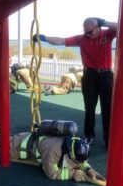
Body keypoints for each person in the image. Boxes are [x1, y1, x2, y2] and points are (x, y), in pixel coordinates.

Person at [34, 17, 118, 148]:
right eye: (85, 32)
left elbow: (122, 28)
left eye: (90, 32)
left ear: (98, 27)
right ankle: (89, 136)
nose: (87, 34)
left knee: (107, 109)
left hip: (106, 75)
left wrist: (106, 22)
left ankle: (109, 141)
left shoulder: (107, 34)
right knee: (89, 108)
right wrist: (43, 38)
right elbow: (60, 40)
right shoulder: (82, 38)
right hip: (89, 75)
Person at [0, 120, 105, 182]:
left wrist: (88, 169)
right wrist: (74, 173)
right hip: (20, 148)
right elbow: (52, 173)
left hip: (26, 138)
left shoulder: (73, 140)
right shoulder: (53, 152)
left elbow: (79, 160)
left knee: (6, 140)